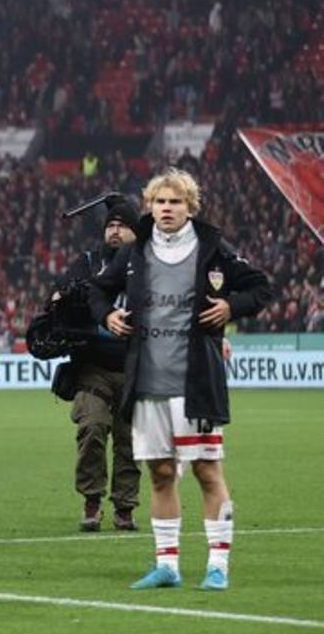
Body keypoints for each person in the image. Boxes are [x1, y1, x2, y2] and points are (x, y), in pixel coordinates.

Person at [90, 169, 273, 591]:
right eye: (159, 202)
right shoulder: (136, 252)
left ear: (190, 207)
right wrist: (107, 314)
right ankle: (167, 566)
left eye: (175, 202)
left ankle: (218, 567)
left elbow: (260, 287)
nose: (166, 209)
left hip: (195, 383)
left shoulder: (211, 247)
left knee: (208, 472)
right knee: (160, 474)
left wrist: (230, 306)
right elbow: (98, 291)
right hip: (147, 384)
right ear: (149, 207)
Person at [57, 198, 140, 532]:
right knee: (91, 428)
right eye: (110, 225)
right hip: (93, 365)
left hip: (136, 367)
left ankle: (125, 506)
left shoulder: (147, 265)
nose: (115, 231)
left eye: (122, 226)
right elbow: (59, 298)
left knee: (130, 442)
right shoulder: (88, 263)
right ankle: (92, 500)